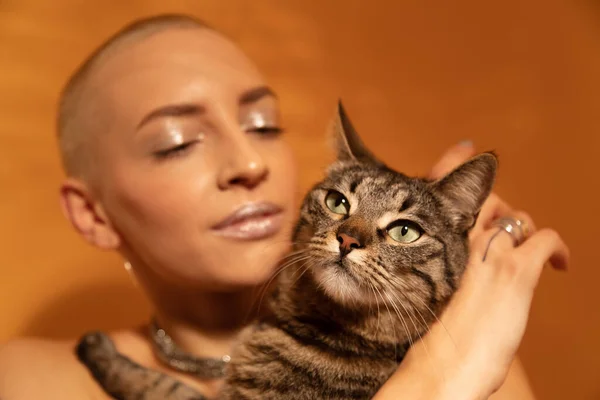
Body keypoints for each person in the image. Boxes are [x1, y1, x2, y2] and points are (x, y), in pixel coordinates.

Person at [0, 14, 568, 399]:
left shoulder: (473, 337)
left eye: (264, 125)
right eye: (178, 141)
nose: (251, 162)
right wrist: (433, 382)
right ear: (92, 215)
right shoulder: (32, 378)